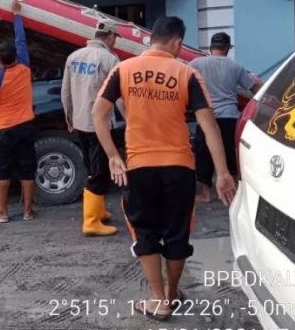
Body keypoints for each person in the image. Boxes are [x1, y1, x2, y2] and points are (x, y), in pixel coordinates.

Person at [92, 16, 236, 321]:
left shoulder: (124, 69)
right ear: (177, 43)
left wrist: (112, 156)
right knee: (176, 234)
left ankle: (159, 300)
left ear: (150, 39)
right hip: (179, 168)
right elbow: (209, 127)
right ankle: (171, 294)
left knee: (145, 232)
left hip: (140, 166)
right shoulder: (187, 73)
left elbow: (98, 113)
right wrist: (222, 173)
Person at [61, 21, 120, 236]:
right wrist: (131, 118)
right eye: (116, 38)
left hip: (79, 122)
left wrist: (68, 115)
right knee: (100, 172)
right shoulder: (109, 59)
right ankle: (91, 222)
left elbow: (65, 91)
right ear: (111, 37)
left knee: (90, 167)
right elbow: (118, 94)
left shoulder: (73, 57)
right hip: (100, 125)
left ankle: (98, 209)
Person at [189, 32, 261, 202]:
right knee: (230, 153)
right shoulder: (235, 66)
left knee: (203, 153)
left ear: (210, 47)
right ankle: (234, 191)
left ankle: (206, 193)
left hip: (206, 116)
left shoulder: (197, 63)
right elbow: (254, 87)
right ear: (228, 48)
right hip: (229, 116)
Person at [0, 0, 35, 223]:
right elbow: (21, 39)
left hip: (4, 130)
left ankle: (2, 213)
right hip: (26, 127)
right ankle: (27, 212)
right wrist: (16, 14)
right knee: (27, 168)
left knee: (1, 170)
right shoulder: (24, 67)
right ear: (15, 56)